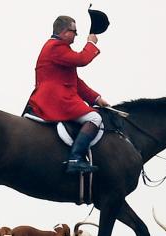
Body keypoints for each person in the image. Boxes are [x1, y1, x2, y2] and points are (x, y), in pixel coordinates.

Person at [26, 14, 106, 172]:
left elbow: (75, 81)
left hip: (58, 95)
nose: (76, 35)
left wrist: (96, 98)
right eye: (74, 31)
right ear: (64, 31)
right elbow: (82, 59)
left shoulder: (59, 49)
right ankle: (75, 159)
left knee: (95, 112)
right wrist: (91, 43)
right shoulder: (55, 47)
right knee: (95, 118)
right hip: (56, 98)